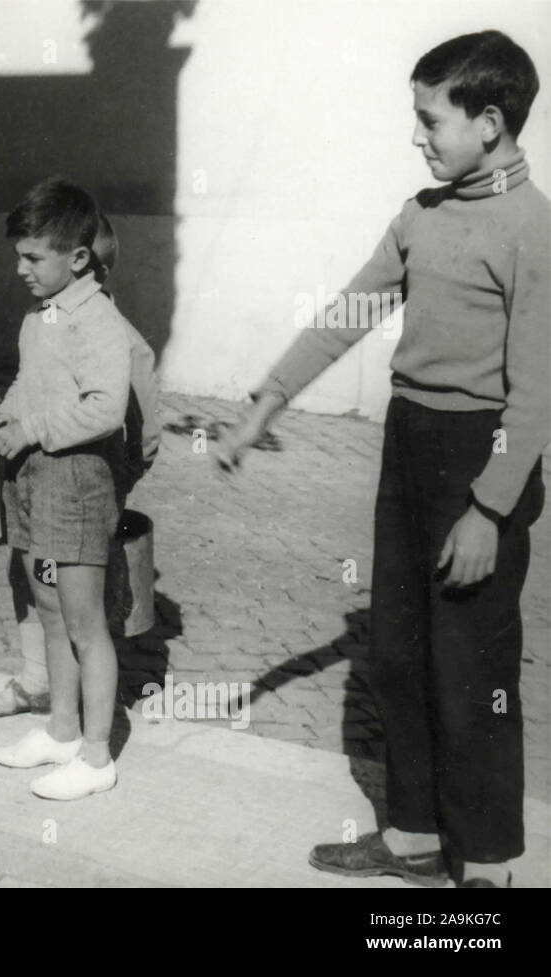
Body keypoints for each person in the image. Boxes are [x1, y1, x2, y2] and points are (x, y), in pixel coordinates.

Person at [217, 31, 548, 887]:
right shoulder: (420, 214)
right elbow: (348, 310)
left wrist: (489, 507)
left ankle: (489, 869)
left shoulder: (531, 230)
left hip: (481, 458)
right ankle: (412, 841)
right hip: (409, 446)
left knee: (471, 670)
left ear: (489, 121)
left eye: (429, 120)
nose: (417, 136)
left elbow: (537, 393)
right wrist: (267, 402)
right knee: (399, 653)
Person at [0, 177, 132, 800]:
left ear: (77, 258)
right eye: (18, 255)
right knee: (48, 610)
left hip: (76, 482)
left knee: (84, 622)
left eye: (33, 257)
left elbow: (106, 410)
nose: (21, 269)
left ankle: (96, 759)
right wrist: (5, 422)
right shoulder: (40, 318)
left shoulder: (97, 321)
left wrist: (33, 429)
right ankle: (61, 731)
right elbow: (27, 382)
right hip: (34, 478)